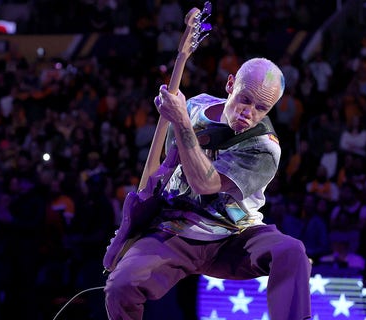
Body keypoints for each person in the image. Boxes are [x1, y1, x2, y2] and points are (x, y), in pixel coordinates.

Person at [104, 58, 312, 319]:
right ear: (230, 84)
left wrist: (180, 122)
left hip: (234, 236)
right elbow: (169, 163)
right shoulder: (195, 106)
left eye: (261, 108)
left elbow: (206, 184)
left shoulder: (265, 147)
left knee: (292, 252)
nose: (249, 112)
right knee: (120, 287)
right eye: (245, 99)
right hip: (176, 231)